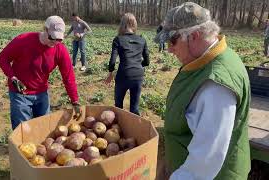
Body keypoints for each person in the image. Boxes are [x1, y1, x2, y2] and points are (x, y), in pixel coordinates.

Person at [155, 2, 250, 179]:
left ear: (195, 36)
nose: (169, 48)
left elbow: (207, 159)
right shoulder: (207, 60)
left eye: (173, 40)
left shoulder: (216, 85)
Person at [0, 16, 81, 130]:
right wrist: (13, 77)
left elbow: (68, 77)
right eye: (52, 37)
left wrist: (75, 100)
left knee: (43, 129)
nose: (55, 42)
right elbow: (3, 57)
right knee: (23, 130)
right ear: (45, 29)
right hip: (20, 93)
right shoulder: (24, 40)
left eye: (59, 39)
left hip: (41, 93)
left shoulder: (60, 50)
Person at [105, 13, 149, 116]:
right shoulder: (142, 40)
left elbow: (112, 60)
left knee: (118, 105)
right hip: (138, 75)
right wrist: (138, 65)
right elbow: (147, 61)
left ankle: (117, 129)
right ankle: (134, 129)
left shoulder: (118, 39)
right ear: (134, 24)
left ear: (122, 24)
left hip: (123, 74)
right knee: (134, 108)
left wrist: (110, 73)